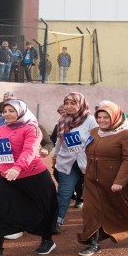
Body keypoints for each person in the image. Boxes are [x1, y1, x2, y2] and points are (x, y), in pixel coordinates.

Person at [0, 100, 59, 256]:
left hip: (34, 176)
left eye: (11, 110)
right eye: (5, 111)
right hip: (8, 176)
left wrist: (17, 167)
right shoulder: (1, 130)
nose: (7, 114)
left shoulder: (32, 128)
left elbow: (30, 150)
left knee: (43, 207)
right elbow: (0, 154)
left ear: (20, 111)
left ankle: (47, 240)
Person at [77, 101, 128, 256]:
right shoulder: (95, 131)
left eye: (106, 117)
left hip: (116, 181)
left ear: (116, 117)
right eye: (100, 117)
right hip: (93, 179)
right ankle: (93, 243)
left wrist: (119, 181)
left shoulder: (127, 134)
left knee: (125, 210)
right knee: (91, 210)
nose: (102, 121)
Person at [52, 92, 98, 232]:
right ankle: (57, 221)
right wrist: (55, 156)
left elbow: (97, 139)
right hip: (67, 162)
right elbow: (60, 141)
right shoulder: (63, 120)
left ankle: (98, 223)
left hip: (88, 163)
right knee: (64, 193)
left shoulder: (90, 120)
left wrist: (83, 147)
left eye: (73, 103)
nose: (69, 106)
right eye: (66, 103)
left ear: (81, 104)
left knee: (94, 194)